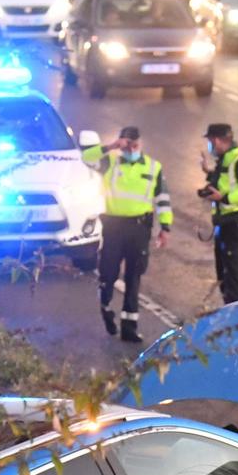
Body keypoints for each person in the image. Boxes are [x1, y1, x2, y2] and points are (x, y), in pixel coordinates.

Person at [82, 124, 171, 343]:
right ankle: (106, 308)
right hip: (113, 227)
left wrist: (165, 227)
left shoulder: (153, 167)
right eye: (127, 143)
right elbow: (85, 158)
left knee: (134, 276)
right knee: (108, 274)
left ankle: (130, 327)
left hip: (139, 228)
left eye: (135, 144)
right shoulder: (109, 162)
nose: (131, 148)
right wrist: (111, 146)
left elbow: (163, 200)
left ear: (141, 143)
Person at [197, 122, 238, 304]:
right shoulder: (226, 159)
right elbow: (226, 182)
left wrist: (224, 198)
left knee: (233, 281)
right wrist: (209, 175)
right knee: (224, 278)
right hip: (225, 225)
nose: (209, 146)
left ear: (217, 140)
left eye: (210, 141)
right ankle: (231, 318)